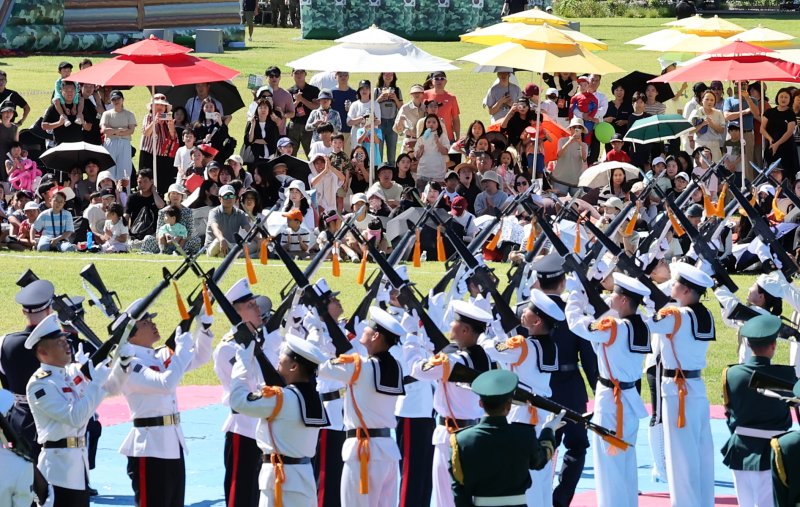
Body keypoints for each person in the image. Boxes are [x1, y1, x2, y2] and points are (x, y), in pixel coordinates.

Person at [103, 297, 214, 507]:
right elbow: (165, 384)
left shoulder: (157, 356)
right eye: (146, 323)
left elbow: (200, 357)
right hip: (149, 447)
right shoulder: (129, 366)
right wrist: (180, 353)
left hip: (172, 443)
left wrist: (204, 328)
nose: (154, 324)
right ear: (132, 335)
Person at [566, 273, 654, 507]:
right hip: (630, 399)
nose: (609, 297)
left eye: (614, 294)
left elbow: (576, 323)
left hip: (610, 401)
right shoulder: (642, 324)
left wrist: (576, 293)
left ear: (624, 300)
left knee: (608, 464)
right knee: (626, 461)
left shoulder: (613, 327)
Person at [409, 300, 496, 507]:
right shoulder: (487, 357)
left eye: (455, 323)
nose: (450, 326)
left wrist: (412, 336)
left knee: (445, 500)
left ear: (465, 330)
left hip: (450, 437)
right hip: (477, 435)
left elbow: (415, 368)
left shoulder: (451, 362)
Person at [25, 314, 118, 507]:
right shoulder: (40, 384)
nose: (66, 344)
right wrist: (96, 384)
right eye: (58, 342)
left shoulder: (69, 374)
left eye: (65, 340)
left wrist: (121, 360)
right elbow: (75, 417)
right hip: (59, 469)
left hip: (77, 464)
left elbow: (111, 389)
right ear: (43, 352)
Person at [230, 331, 330, 506]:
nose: (279, 358)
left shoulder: (280, 398)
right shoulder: (313, 397)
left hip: (279, 481)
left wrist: (242, 361)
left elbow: (238, 401)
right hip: (303, 479)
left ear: (293, 366)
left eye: (283, 355)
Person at [318, 306, 405, 507]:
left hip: (362, 454)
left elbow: (321, 368)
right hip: (387, 451)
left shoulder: (360, 367)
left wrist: (320, 332)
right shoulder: (395, 366)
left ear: (375, 336)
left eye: (366, 328)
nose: (362, 330)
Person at [647, 262, 716, 507]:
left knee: (679, 455)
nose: (671, 286)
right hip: (695, 385)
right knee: (701, 450)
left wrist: (645, 298)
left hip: (676, 389)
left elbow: (644, 324)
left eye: (675, 283)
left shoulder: (674, 315)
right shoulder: (704, 313)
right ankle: (703, 501)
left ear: (685, 290)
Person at [212, 278, 280, 507]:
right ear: (237, 313)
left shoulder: (264, 339)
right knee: (240, 495)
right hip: (245, 430)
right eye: (251, 305)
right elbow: (251, 387)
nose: (258, 309)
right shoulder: (227, 348)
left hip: (266, 432)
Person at [450, 369, 562, 507]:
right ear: (509, 406)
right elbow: (540, 460)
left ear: (480, 403)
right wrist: (548, 431)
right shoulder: (525, 434)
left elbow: (459, 489)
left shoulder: (461, 440)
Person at [721, 314, 795, 507]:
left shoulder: (731, 373)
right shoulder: (787, 375)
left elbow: (729, 413)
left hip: (740, 449)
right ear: (773, 345)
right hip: (773, 452)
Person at [0, 279, 57, 461]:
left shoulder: (4, 343)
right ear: (50, 310)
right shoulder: (61, 344)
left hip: (19, 418)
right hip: (54, 417)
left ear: (24, 311)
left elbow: (5, 381)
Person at [140, 93, 179, 196]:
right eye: (157, 104)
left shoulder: (168, 119)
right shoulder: (148, 117)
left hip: (164, 157)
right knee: (147, 182)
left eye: (162, 105)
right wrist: (155, 122)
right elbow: (146, 133)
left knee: (163, 184)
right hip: (149, 154)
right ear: (152, 107)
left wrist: (171, 126)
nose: (160, 107)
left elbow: (173, 138)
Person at [99, 90, 136, 187]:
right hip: (110, 142)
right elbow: (104, 130)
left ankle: (124, 196)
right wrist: (119, 130)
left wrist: (113, 131)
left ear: (123, 100)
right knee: (109, 170)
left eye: (118, 99)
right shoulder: (106, 114)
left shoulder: (129, 114)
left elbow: (131, 130)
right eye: (113, 99)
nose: (116, 101)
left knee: (124, 171)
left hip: (125, 142)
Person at [762, 87, 799, 181]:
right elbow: (762, 129)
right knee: (772, 173)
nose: (783, 99)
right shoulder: (769, 112)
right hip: (771, 145)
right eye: (781, 96)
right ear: (777, 98)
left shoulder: (790, 113)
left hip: (787, 147)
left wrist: (777, 144)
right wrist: (770, 139)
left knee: (788, 174)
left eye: (786, 97)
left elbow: (789, 131)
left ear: (790, 99)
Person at [204, 184, 251, 257]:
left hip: (231, 246)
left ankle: (227, 255)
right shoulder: (214, 212)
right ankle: (236, 255)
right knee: (217, 241)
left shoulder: (240, 213)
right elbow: (215, 229)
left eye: (231, 196)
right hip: (214, 245)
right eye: (225, 196)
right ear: (220, 199)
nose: (229, 199)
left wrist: (259, 240)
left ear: (235, 198)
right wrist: (221, 239)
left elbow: (248, 229)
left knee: (253, 244)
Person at [125, 169, 165, 242]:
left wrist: (154, 192)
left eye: (145, 181)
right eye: (140, 182)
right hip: (136, 233)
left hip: (153, 234)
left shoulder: (157, 196)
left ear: (152, 181)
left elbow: (161, 206)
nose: (142, 184)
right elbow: (126, 215)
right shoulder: (132, 198)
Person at [287, 69, 321, 156]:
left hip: (310, 125)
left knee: (312, 154)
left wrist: (302, 99)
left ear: (305, 74)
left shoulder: (314, 90)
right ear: (292, 75)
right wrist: (297, 102)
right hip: (294, 125)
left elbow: (316, 107)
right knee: (291, 153)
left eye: (301, 72)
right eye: (296, 73)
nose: (299, 75)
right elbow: (288, 110)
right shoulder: (289, 92)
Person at [552, 118, 588, 196]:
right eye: (575, 127)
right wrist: (569, 142)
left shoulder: (584, 145)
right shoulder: (562, 140)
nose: (577, 129)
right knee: (559, 203)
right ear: (570, 129)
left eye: (579, 127)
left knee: (577, 204)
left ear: (582, 130)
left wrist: (580, 144)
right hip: (560, 179)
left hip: (576, 180)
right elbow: (559, 155)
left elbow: (584, 159)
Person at [414, 114, 450, 189]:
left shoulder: (442, 136)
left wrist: (437, 142)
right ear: (425, 124)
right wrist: (420, 150)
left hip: (438, 173)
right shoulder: (422, 137)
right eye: (428, 122)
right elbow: (417, 156)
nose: (431, 124)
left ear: (438, 124)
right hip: (423, 172)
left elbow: (445, 152)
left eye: (434, 122)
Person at [689, 90, 726, 162]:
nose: (709, 102)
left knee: (715, 169)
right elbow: (690, 130)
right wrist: (702, 124)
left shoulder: (718, 113)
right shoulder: (696, 112)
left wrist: (712, 124)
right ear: (702, 100)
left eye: (712, 100)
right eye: (707, 99)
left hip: (714, 145)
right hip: (701, 144)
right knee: (700, 169)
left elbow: (722, 130)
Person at [423, 71, 460, 143]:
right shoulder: (424, 94)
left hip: (448, 137)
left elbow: (456, 119)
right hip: (428, 138)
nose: (439, 81)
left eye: (442, 78)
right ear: (432, 81)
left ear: (445, 81)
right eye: (436, 78)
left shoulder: (451, 98)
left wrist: (458, 136)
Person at [375, 72, 402, 165]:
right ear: (382, 76)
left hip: (393, 123)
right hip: (379, 123)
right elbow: (371, 106)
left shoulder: (397, 90)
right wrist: (379, 99)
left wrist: (395, 99)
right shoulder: (376, 90)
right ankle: (379, 174)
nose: (388, 76)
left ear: (394, 76)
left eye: (390, 74)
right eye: (386, 74)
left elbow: (401, 108)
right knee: (379, 152)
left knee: (392, 153)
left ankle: (392, 174)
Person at [347, 80, 381, 150]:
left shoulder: (375, 104)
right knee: (357, 155)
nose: (364, 91)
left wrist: (368, 124)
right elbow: (349, 122)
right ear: (359, 91)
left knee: (370, 156)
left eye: (367, 88)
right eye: (362, 88)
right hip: (357, 133)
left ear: (370, 91)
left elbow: (378, 121)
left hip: (370, 134)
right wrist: (361, 118)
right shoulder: (354, 104)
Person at [394, 84, 426, 154]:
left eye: (419, 92)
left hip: (422, 141)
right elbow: (396, 129)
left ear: (423, 94)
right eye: (414, 93)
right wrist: (400, 122)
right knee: (406, 162)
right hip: (409, 140)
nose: (416, 94)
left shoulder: (425, 108)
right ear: (411, 95)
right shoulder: (405, 108)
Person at [264, 66, 295, 136]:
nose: (274, 78)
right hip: (263, 132)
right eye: (271, 76)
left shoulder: (286, 94)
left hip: (279, 133)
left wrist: (283, 114)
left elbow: (292, 113)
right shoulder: (261, 92)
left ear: (280, 77)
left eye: (276, 75)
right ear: (266, 77)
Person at [331, 72, 358, 148]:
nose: (343, 77)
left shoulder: (354, 93)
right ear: (336, 77)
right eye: (340, 76)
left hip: (350, 130)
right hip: (335, 131)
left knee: (348, 156)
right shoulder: (331, 93)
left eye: (345, 75)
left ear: (348, 77)